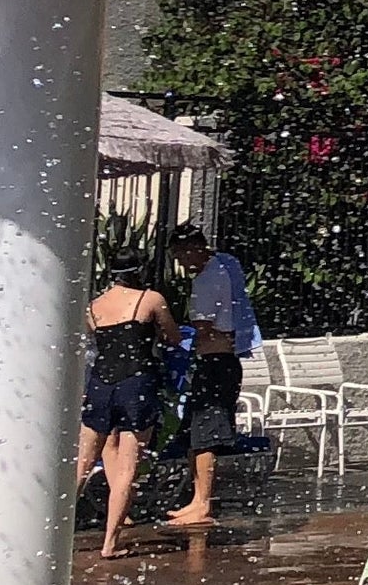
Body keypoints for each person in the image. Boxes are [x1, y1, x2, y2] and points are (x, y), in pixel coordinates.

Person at [72, 266, 175, 560]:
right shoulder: (151, 299)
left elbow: (94, 342)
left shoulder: (93, 307)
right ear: (140, 269)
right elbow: (174, 336)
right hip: (136, 385)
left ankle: (56, 531)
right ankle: (110, 543)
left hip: (101, 385)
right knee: (127, 469)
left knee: (83, 464)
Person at [164, 227, 260, 531]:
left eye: (180, 255)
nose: (179, 263)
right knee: (195, 430)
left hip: (216, 362)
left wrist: (172, 338)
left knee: (206, 434)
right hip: (219, 361)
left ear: (193, 249)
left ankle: (203, 502)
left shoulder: (208, 279)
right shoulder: (224, 266)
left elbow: (202, 328)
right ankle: (196, 498)